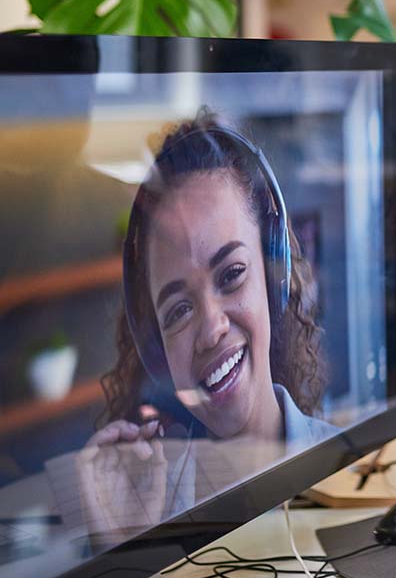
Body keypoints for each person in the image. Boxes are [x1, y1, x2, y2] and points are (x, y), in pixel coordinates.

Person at [78, 111, 335, 534]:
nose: (212, 328)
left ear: (275, 277)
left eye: (231, 275)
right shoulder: (148, 512)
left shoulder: (350, 470)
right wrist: (124, 548)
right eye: (178, 310)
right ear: (156, 348)